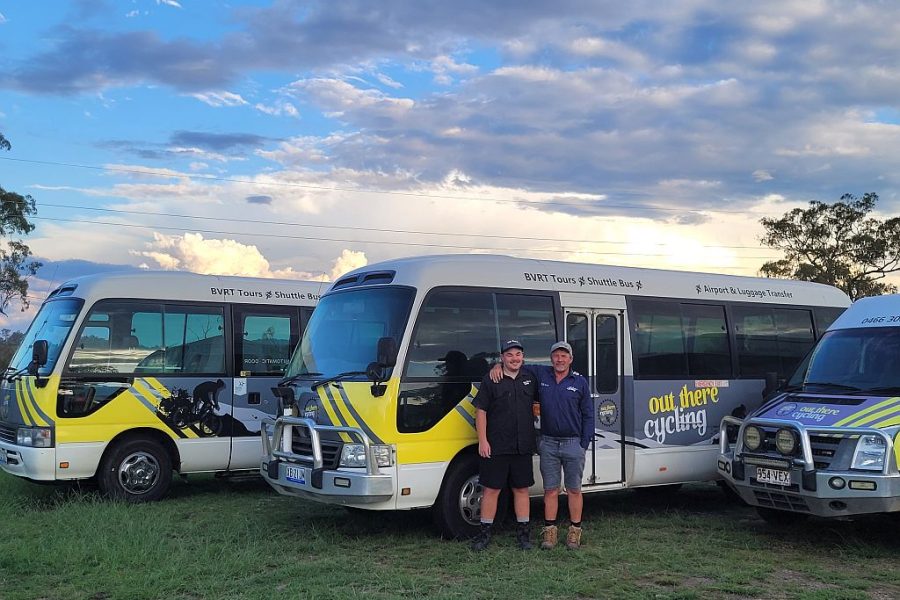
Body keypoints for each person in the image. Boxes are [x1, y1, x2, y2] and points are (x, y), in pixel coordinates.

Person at [490, 340, 593, 550]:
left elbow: (588, 415)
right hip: (548, 443)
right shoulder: (541, 375)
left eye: (564, 356)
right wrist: (497, 366)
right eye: (556, 355)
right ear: (551, 358)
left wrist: (583, 443)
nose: (560, 359)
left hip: (573, 443)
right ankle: (550, 532)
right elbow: (514, 365)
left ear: (571, 359)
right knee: (550, 490)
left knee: (574, 490)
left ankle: (575, 531)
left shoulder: (580, 382)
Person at [470, 340, 538, 551]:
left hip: (522, 445)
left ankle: (524, 535)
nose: (515, 358)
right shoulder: (492, 379)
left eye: (518, 354)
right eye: (509, 355)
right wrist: (483, 440)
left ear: (523, 357)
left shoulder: (531, 378)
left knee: (521, 490)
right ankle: (484, 535)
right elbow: (480, 411)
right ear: (502, 358)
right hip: (496, 446)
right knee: (491, 490)